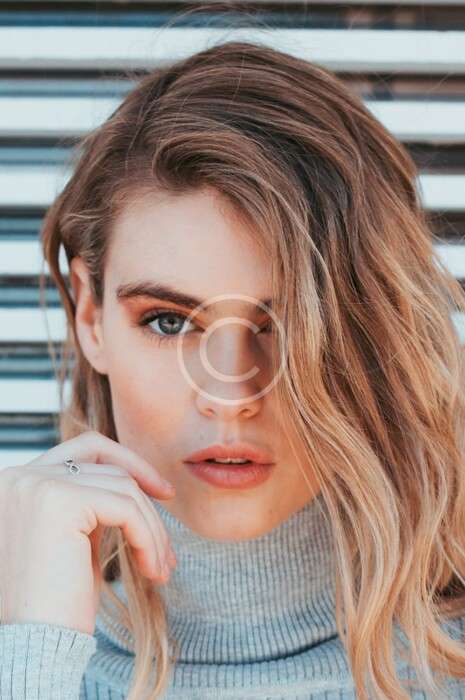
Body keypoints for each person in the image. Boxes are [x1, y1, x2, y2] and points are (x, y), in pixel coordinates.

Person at [1, 36, 465, 700]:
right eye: (168, 321)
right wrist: (31, 656)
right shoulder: (19, 657)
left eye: (287, 323)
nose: (228, 394)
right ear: (91, 316)